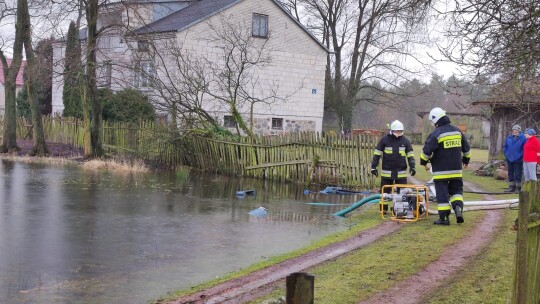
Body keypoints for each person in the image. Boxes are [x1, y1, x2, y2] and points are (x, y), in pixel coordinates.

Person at [420, 107, 471, 225]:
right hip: (457, 170)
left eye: (433, 122)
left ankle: (444, 219)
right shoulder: (457, 131)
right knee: (457, 191)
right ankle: (458, 209)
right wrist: (466, 160)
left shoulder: (436, 134)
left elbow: (426, 152)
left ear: (436, 119)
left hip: (441, 172)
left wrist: (423, 162)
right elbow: (467, 149)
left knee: (442, 195)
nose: (433, 125)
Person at [371, 120, 416, 213]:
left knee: (403, 193)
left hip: (401, 173)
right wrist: (373, 167)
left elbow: (410, 155)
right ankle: (383, 210)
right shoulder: (384, 140)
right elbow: (377, 154)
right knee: (385, 193)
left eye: (399, 131)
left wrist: (412, 167)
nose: (397, 133)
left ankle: (401, 209)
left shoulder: (405, 141)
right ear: (391, 131)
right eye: (396, 131)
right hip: (387, 172)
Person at [503, 125, 526, 192]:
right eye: (513, 130)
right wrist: (506, 154)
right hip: (509, 158)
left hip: (518, 159)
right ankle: (511, 187)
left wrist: (519, 156)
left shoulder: (523, 138)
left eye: (516, 130)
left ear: (519, 131)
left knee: (518, 173)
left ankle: (518, 188)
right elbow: (505, 146)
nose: (515, 131)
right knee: (510, 173)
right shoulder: (509, 137)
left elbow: (524, 149)